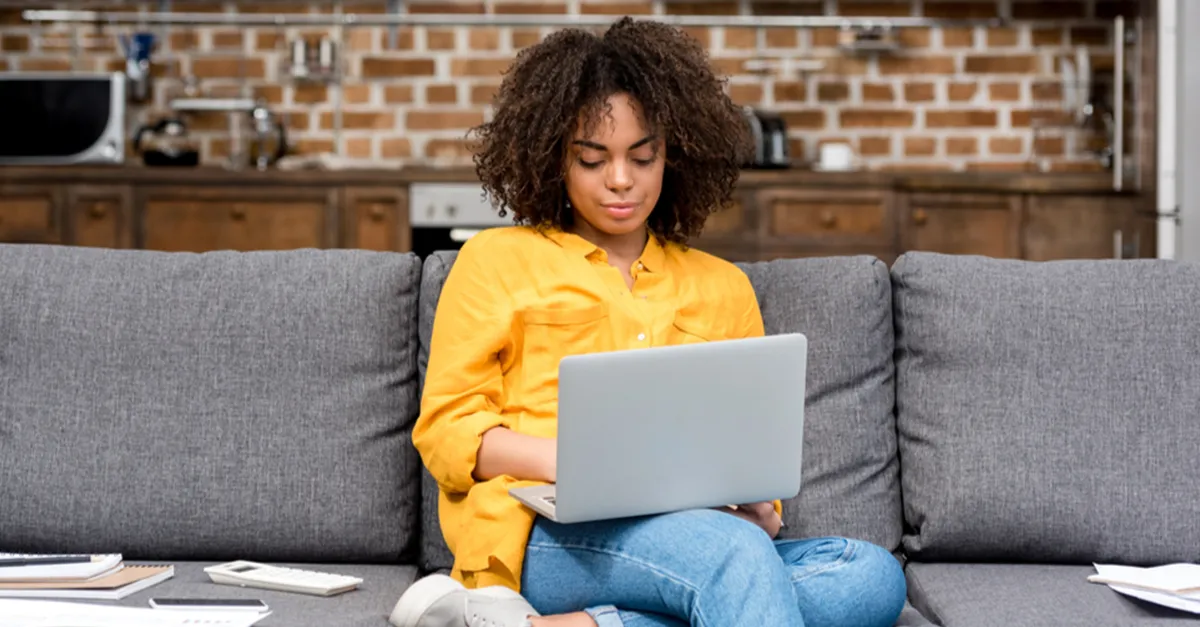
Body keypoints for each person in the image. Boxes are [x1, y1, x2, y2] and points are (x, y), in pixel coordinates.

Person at [390, 16, 907, 627]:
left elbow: (746, 441)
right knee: (733, 561)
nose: (620, 180)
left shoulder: (722, 285)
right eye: (592, 159)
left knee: (868, 575)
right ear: (554, 158)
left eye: (643, 157)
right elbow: (447, 431)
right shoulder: (495, 261)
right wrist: (573, 461)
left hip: (695, 532)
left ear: (673, 155)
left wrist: (761, 510)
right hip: (540, 533)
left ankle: (579, 625)